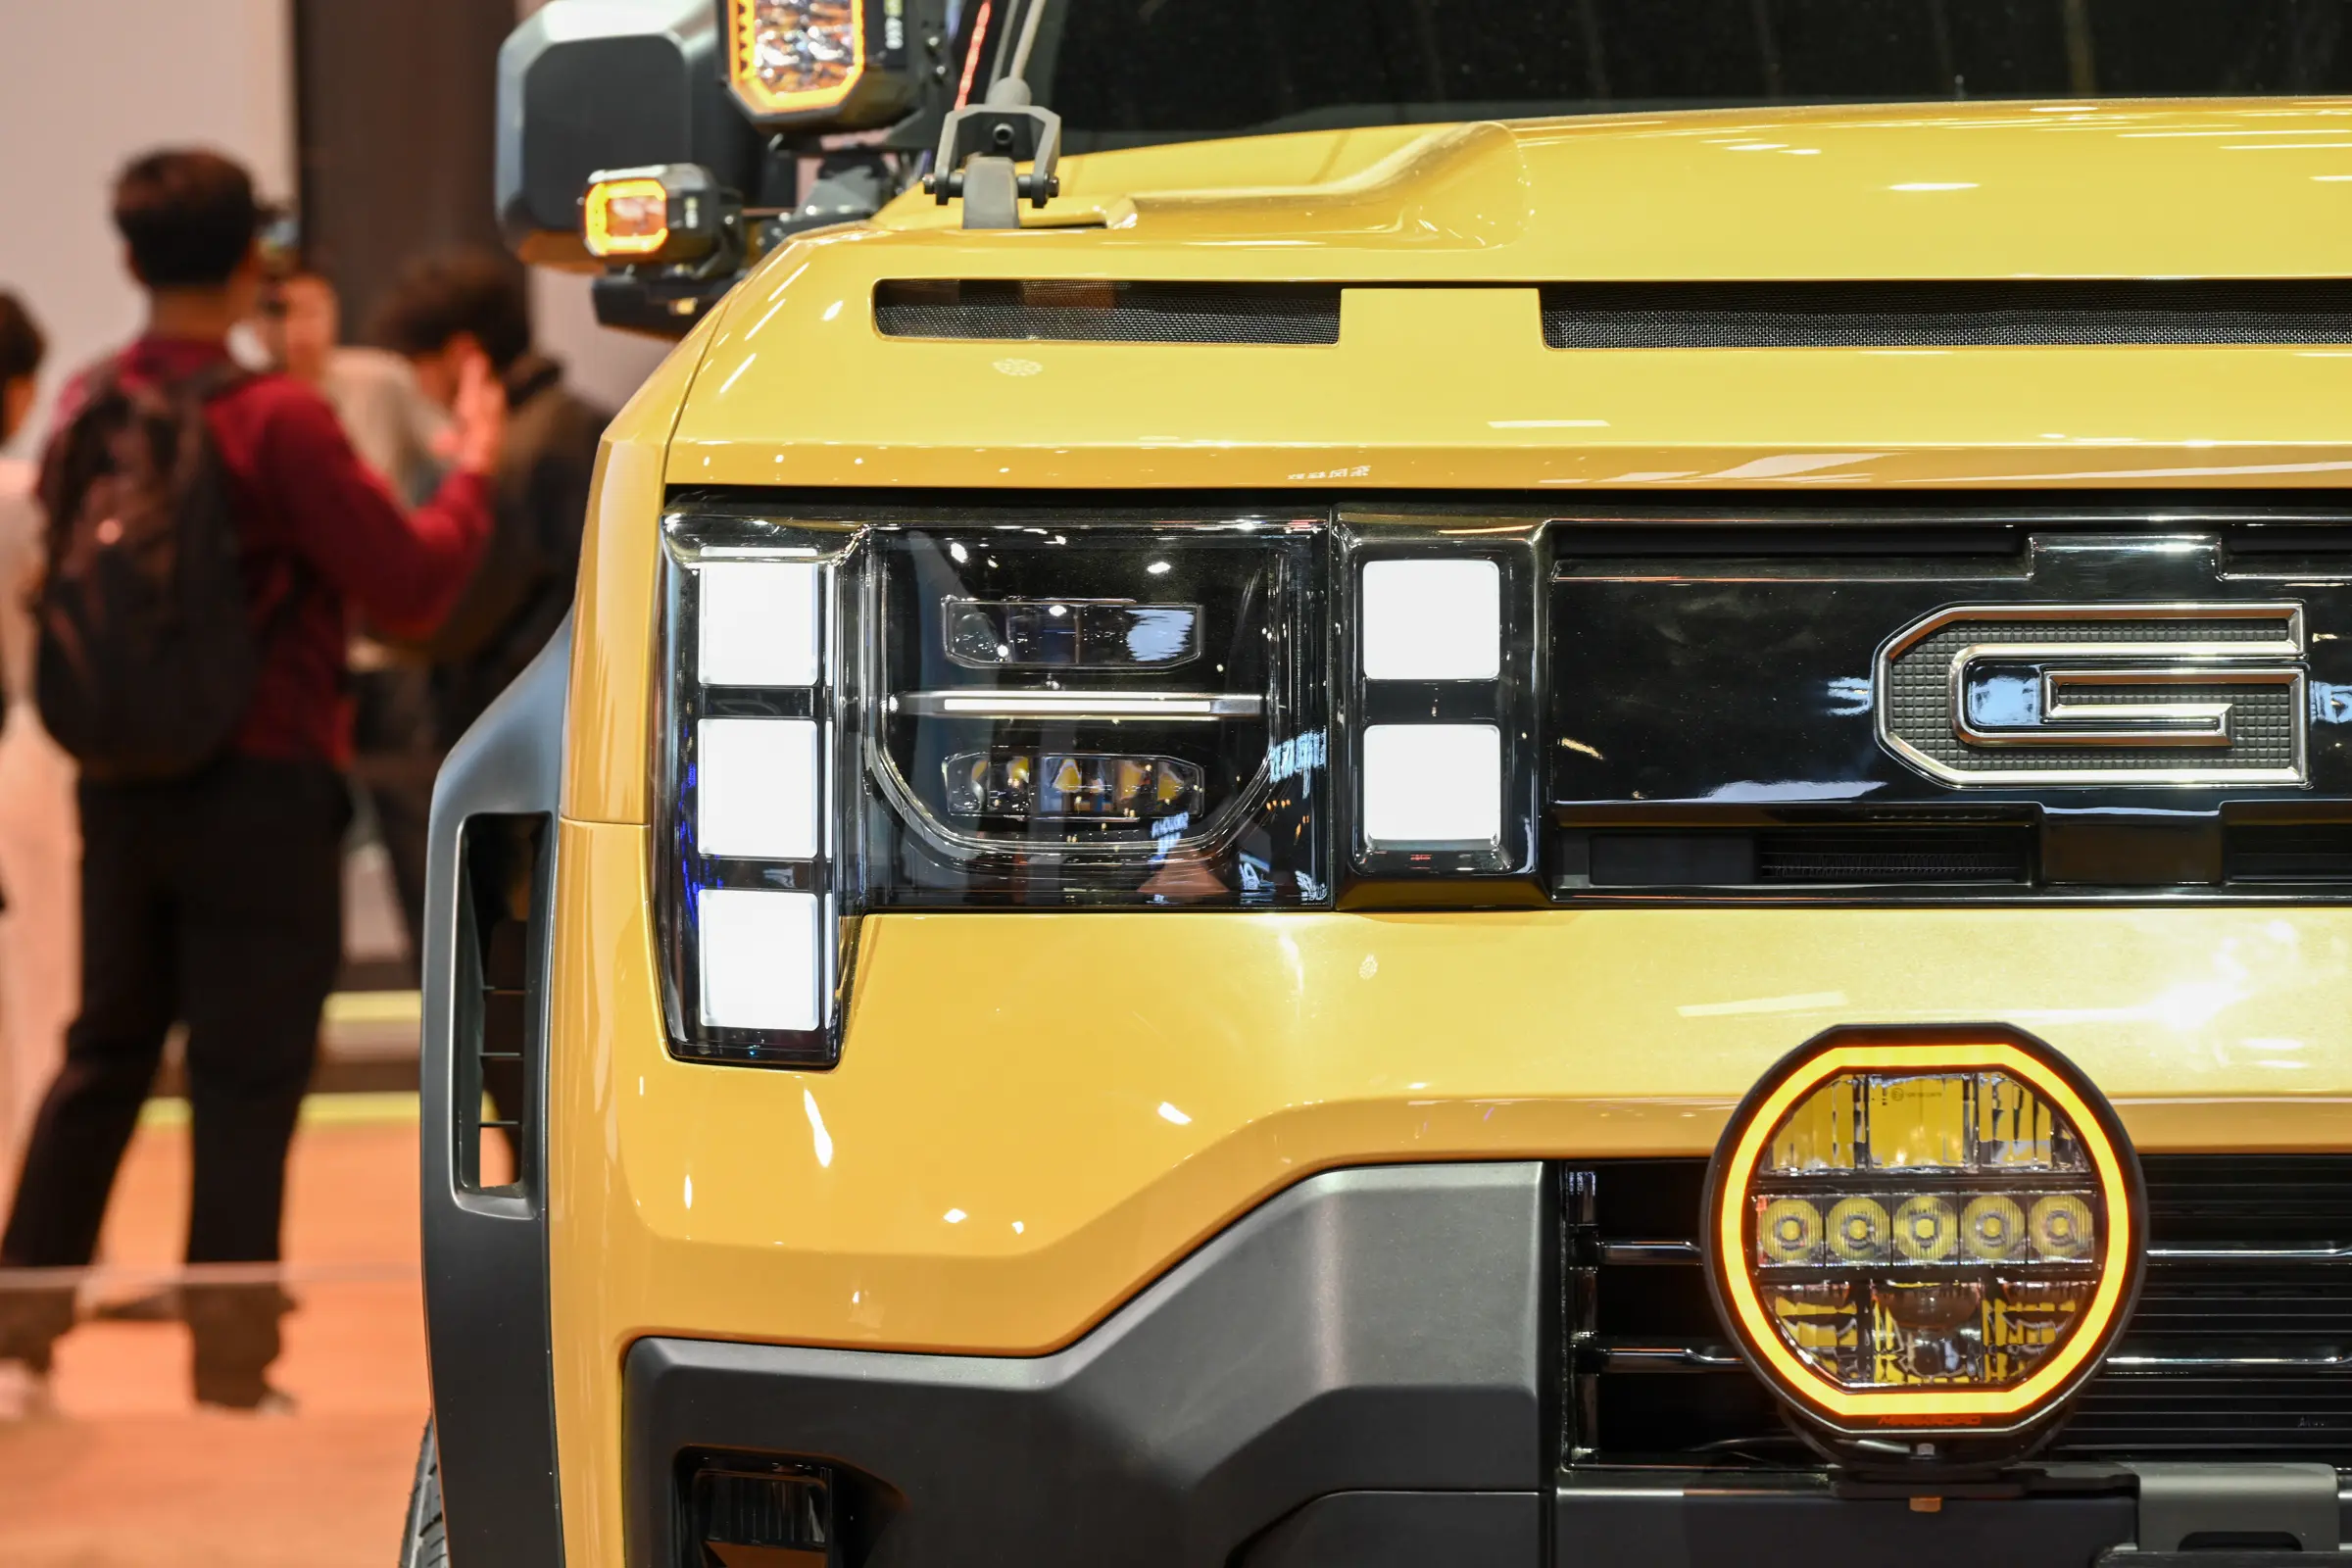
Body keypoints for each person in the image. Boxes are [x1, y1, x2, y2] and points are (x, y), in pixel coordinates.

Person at [0, 148, 501, 1413]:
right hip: (263, 781)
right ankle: (231, 1370)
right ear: (248, 267)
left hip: (119, 782)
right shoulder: (277, 417)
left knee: (103, 1053)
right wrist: (475, 475)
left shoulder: (89, 400)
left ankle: (14, 1341)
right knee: (246, 1071)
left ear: (129, 259)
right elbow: (410, 584)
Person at [255, 264, 450, 974]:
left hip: (384, 648)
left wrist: (422, 543)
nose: (299, 331)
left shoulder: (377, 382)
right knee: (292, 843)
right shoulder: (252, 403)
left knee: (412, 830)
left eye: (314, 310)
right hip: (299, 660)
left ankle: (437, 986)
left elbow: (450, 455)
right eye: (282, 314)